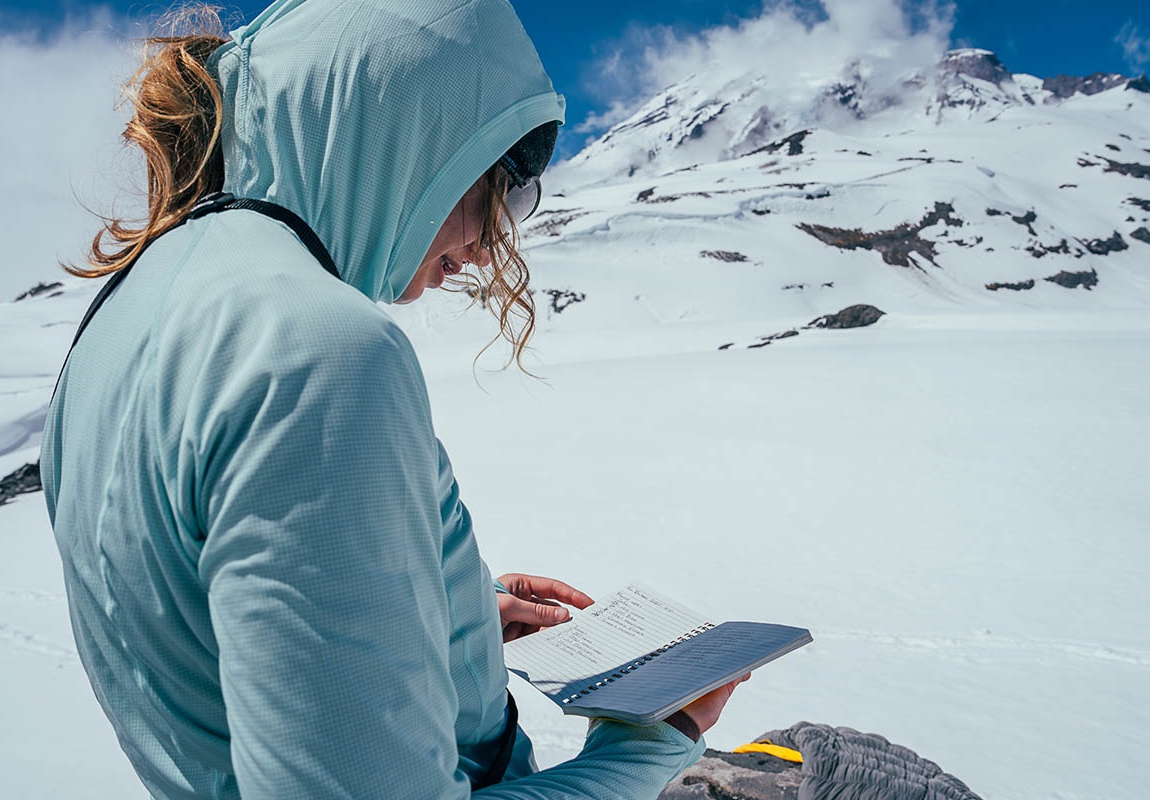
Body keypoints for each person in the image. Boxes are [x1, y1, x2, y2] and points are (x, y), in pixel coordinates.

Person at [39, 1, 749, 797]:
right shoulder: (316, 348)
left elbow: (212, 624)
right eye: (495, 190)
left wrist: (448, 617)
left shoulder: (128, 312)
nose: (488, 244)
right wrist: (650, 747)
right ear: (405, 140)